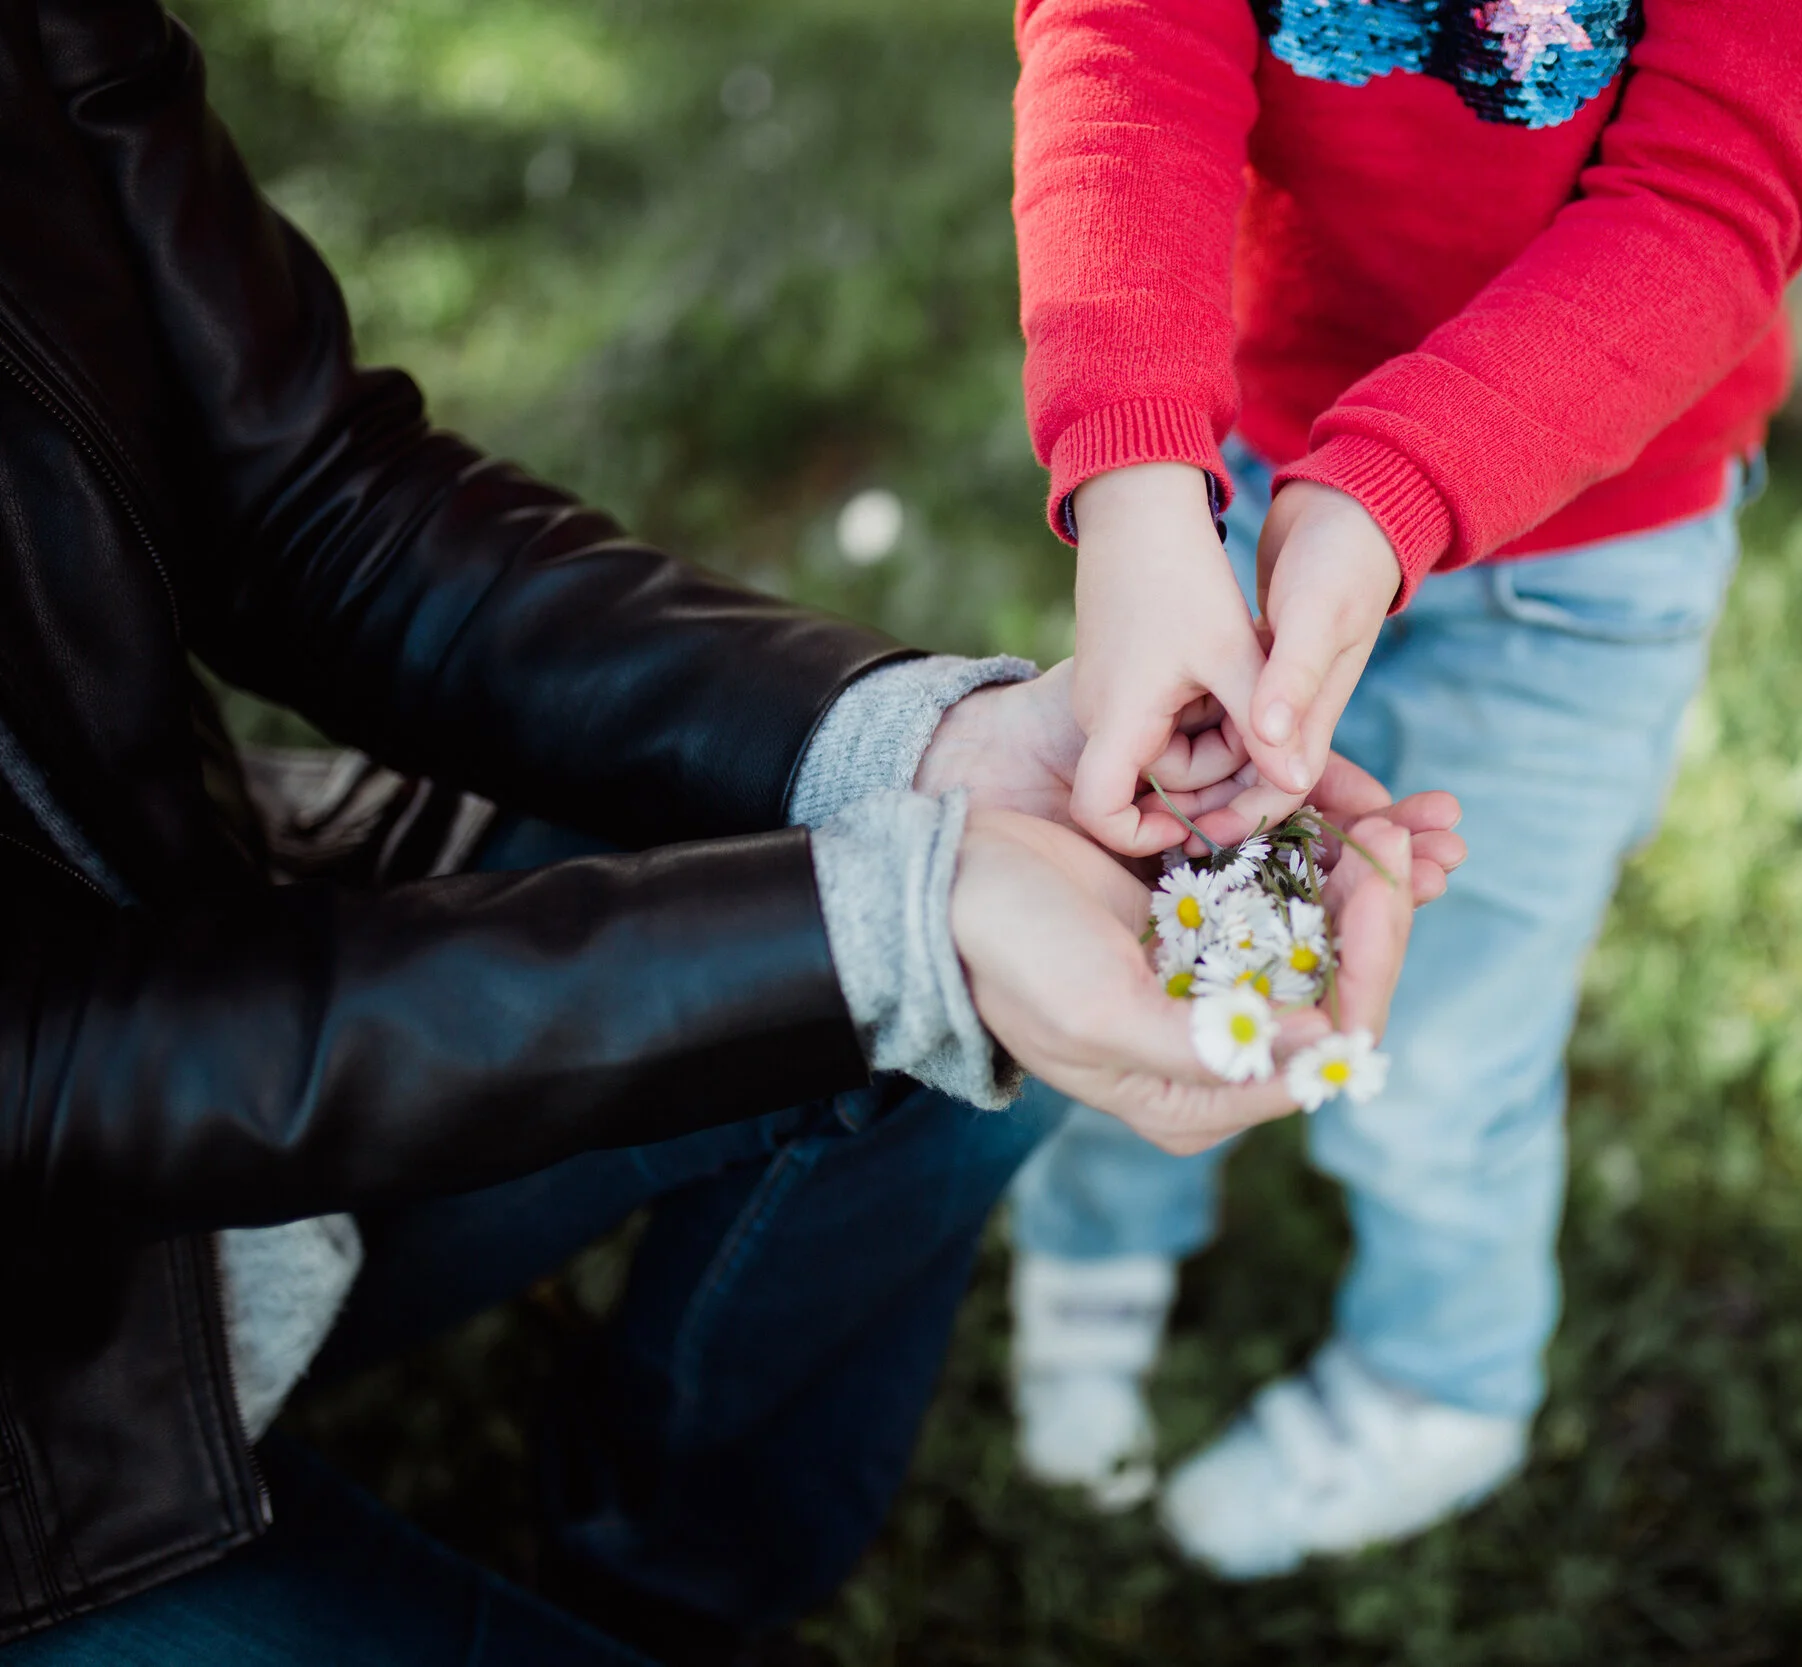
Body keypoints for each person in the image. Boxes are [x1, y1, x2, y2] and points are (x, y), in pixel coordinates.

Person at [0, 4, 1461, 1664]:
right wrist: (879, 924)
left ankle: (680, 1581)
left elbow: (308, 494)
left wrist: (933, 754)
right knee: (921, 940)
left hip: (214, 954)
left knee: (949, 972)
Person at [1003, 0, 1802, 1576]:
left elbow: (1706, 200)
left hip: (1586, 547)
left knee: (1444, 1026)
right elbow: (1127, 38)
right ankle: (1095, 1244)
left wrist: (1403, 485)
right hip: (1234, 467)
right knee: (1128, 896)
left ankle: (1442, 1378)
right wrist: (1143, 478)